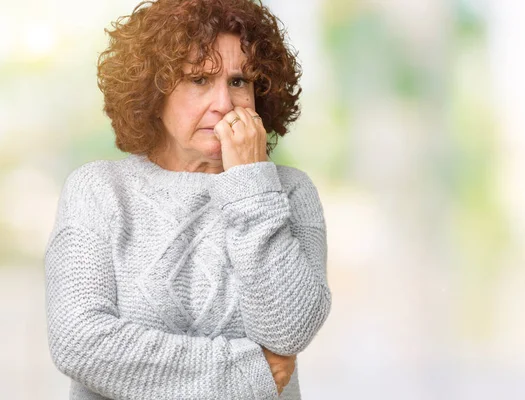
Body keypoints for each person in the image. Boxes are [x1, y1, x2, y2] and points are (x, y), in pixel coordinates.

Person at [44, 0, 332, 398]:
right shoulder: (98, 190)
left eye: (239, 81)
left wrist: (250, 181)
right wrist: (249, 371)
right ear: (153, 91)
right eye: (199, 80)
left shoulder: (289, 191)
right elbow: (80, 342)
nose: (225, 105)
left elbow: (289, 330)